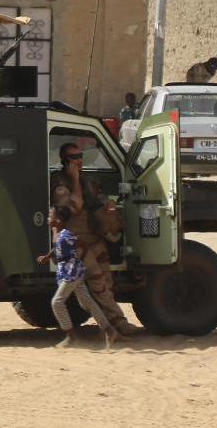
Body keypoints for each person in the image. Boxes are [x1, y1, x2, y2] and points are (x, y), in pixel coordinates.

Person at [50, 142, 141, 337]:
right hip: (75, 243)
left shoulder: (88, 181)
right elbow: (73, 207)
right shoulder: (59, 183)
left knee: (107, 282)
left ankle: (109, 325)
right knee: (98, 284)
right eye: (74, 157)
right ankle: (118, 324)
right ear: (65, 161)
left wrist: (108, 207)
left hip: (93, 238)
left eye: (80, 156)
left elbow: (101, 199)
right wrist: (74, 180)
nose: (79, 160)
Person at [37, 206, 119, 349]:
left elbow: (82, 244)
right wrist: (48, 256)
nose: (48, 219)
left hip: (71, 273)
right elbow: (57, 247)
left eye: (50, 216)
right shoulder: (57, 233)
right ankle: (109, 331)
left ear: (58, 220)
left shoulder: (66, 235)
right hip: (70, 272)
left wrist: (77, 261)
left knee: (57, 302)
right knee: (87, 302)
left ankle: (71, 337)